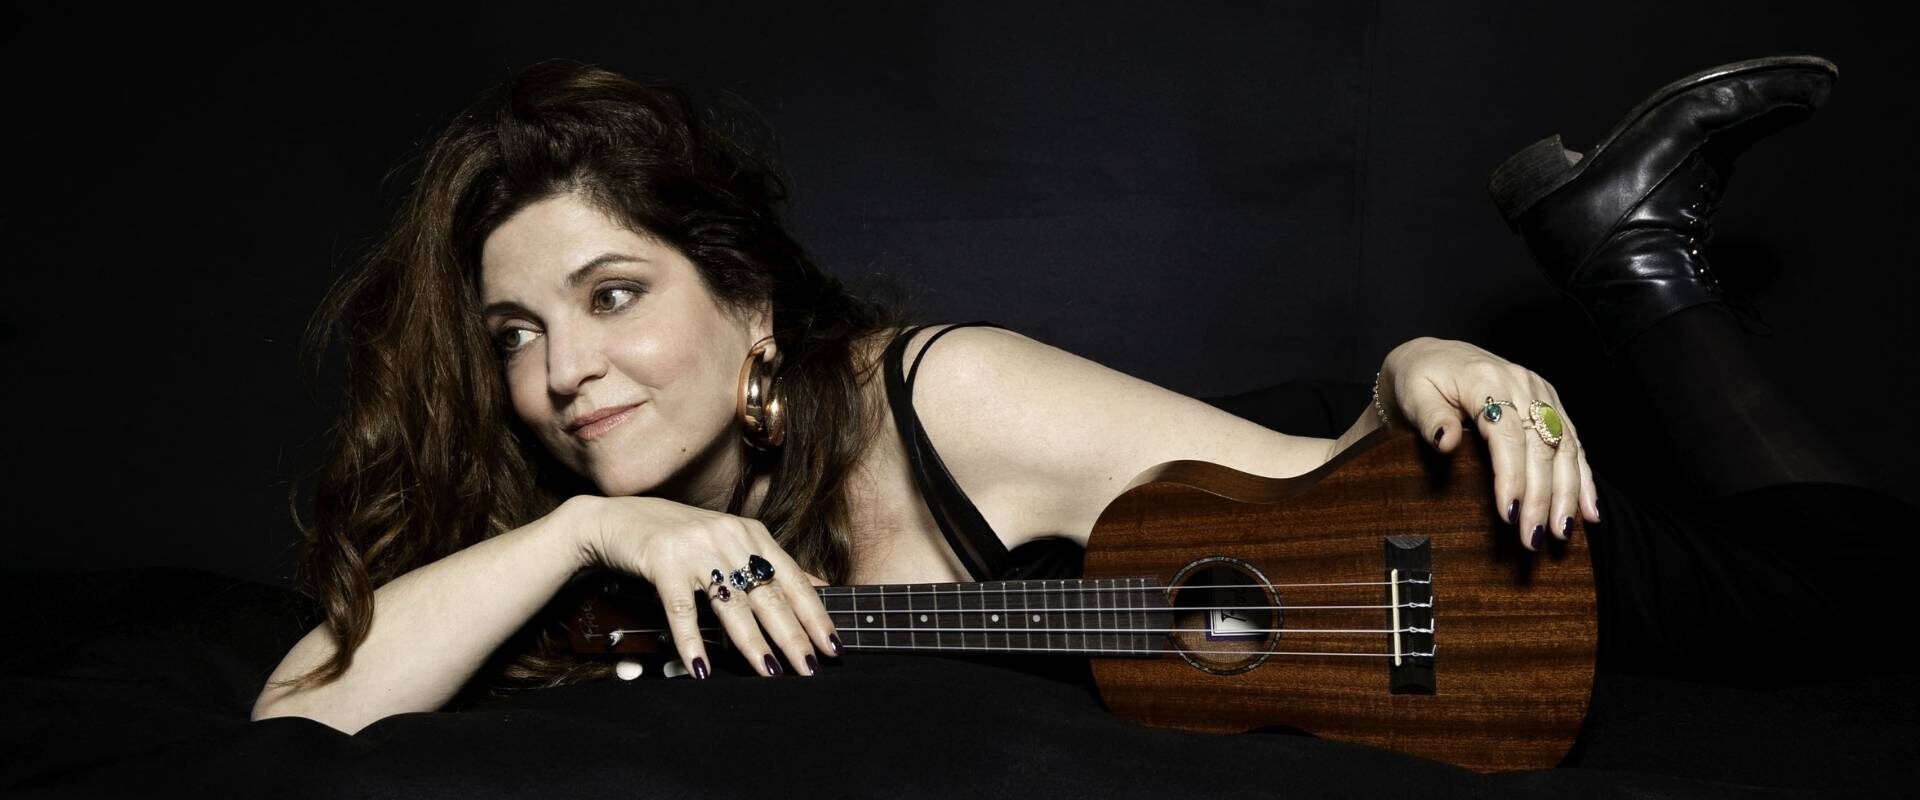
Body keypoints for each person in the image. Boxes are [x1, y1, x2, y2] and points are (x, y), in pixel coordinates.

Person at [251, 56, 1907, 736]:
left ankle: (1636, 265)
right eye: (517, 332)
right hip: (1231, 556)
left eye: (614, 297)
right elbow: (294, 714)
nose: (564, 372)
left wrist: (1417, 374)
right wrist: (595, 531)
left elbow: (1336, 496)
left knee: (1845, 591)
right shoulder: (584, 510)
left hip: (1353, 524)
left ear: (748, 305)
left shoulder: (946, 399)